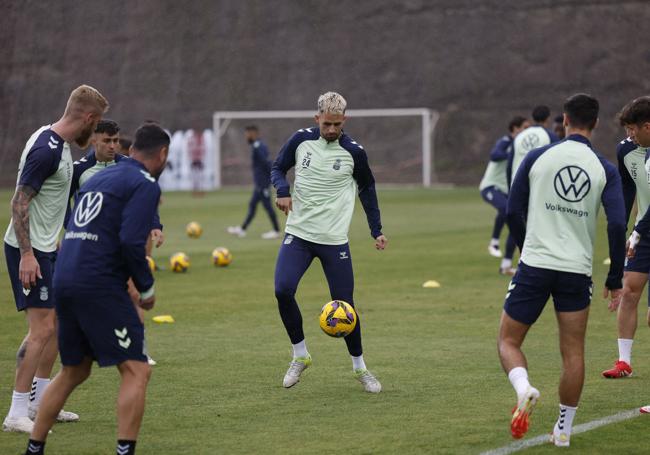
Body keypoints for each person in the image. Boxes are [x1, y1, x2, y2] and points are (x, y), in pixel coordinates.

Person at [23, 123, 169, 455]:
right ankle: (124, 451)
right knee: (136, 369)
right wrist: (145, 290)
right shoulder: (143, 184)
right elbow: (132, 241)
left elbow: (77, 226)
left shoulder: (98, 178)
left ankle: (34, 448)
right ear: (162, 154)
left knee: (74, 370)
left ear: (131, 151)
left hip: (64, 278)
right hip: (97, 284)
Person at [498, 93, 625, 446]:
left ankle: (524, 388)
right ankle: (564, 429)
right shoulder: (605, 169)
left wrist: (527, 247)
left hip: (536, 264)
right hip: (576, 270)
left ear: (565, 120)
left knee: (508, 341)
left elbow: (511, 211)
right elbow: (617, 226)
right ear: (596, 124)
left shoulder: (539, 157)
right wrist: (615, 277)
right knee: (573, 352)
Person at [3, 85, 108, 433]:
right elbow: (19, 202)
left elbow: (48, 202)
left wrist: (54, 242)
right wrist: (29, 254)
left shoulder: (57, 144)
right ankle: (16, 412)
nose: (93, 132)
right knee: (42, 329)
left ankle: (41, 402)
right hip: (28, 251)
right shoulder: (46, 150)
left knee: (59, 323)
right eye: (96, 125)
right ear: (89, 118)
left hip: (47, 249)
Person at [271, 92, 388, 393]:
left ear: (344, 120)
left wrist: (376, 229)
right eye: (327, 124)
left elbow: (368, 189)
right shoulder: (300, 141)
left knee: (346, 307)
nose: (332, 129)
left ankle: (360, 368)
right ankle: (300, 356)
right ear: (317, 119)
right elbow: (277, 167)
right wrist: (282, 189)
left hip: (334, 242)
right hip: (298, 234)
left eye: (337, 124)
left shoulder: (354, 152)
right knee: (283, 290)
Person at [65, 119, 164, 366]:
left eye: (116, 141)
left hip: (123, 242)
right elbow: (65, 206)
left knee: (133, 292)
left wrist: (155, 225)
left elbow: (145, 197)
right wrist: (69, 231)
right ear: (93, 140)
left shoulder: (127, 166)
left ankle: (138, 347)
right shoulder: (79, 170)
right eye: (107, 140)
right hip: (90, 246)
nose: (112, 146)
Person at [603, 96, 650, 380]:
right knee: (629, 291)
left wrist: (636, 232)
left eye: (633, 129)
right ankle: (624, 362)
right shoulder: (626, 151)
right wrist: (621, 228)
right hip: (643, 232)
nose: (629, 135)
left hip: (642, 230)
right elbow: (626, 190)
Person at [479, 116, 529, 275]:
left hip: (506, 191)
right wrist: (512, 156)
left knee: (516, 220)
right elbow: (494, 154)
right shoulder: (506, 141)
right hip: (490, 187)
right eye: (524, 127)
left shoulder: (523, 146)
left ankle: (506, 265)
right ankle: (494, 242)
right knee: (506, 209)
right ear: (515, 129)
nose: (528, 131)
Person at [227, 125, 281, 239]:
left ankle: (276, 231)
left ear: (254, 134)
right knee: (252, 205)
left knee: (268, 207)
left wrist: (273, 179)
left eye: (247, 134)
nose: (246, 137)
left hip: (263, 183)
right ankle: (242, 229)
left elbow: (267, 163)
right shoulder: (257, 146)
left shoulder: (258, 146)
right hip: (259, 184)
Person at [510, 105, 560, 181]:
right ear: (548, 118)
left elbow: (510, 165)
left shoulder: (519, 137)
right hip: (537, 185)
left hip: (517, 184)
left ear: (532, 118)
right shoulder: (551, 137)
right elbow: (557, 163)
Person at [187, 129, 206, 196]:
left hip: (199, 160)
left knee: (200, 177)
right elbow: (190, 151)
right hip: (194, 161)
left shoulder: (201, 140)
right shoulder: (192, 140)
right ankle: (195, 191)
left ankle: (200, 191)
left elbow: (203, 151)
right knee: (195, 177)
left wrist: (201, 158)